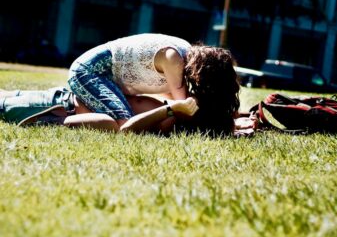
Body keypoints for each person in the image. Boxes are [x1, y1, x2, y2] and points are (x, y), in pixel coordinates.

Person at [68, 33, 240, 135]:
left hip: (105, 75)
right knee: (126, 124)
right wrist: (230, 123)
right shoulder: (174, 59)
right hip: (89, 72)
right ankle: (57, 121)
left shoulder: (184, 55)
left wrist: (231, 117)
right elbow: (184, 108)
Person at [0, 87, 255, 136]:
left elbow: (126, 128)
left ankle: (47, 124)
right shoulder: (176, 113)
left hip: (58, 105)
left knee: (107, 124)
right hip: (58, 101)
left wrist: (239, 121)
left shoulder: (172, 119)